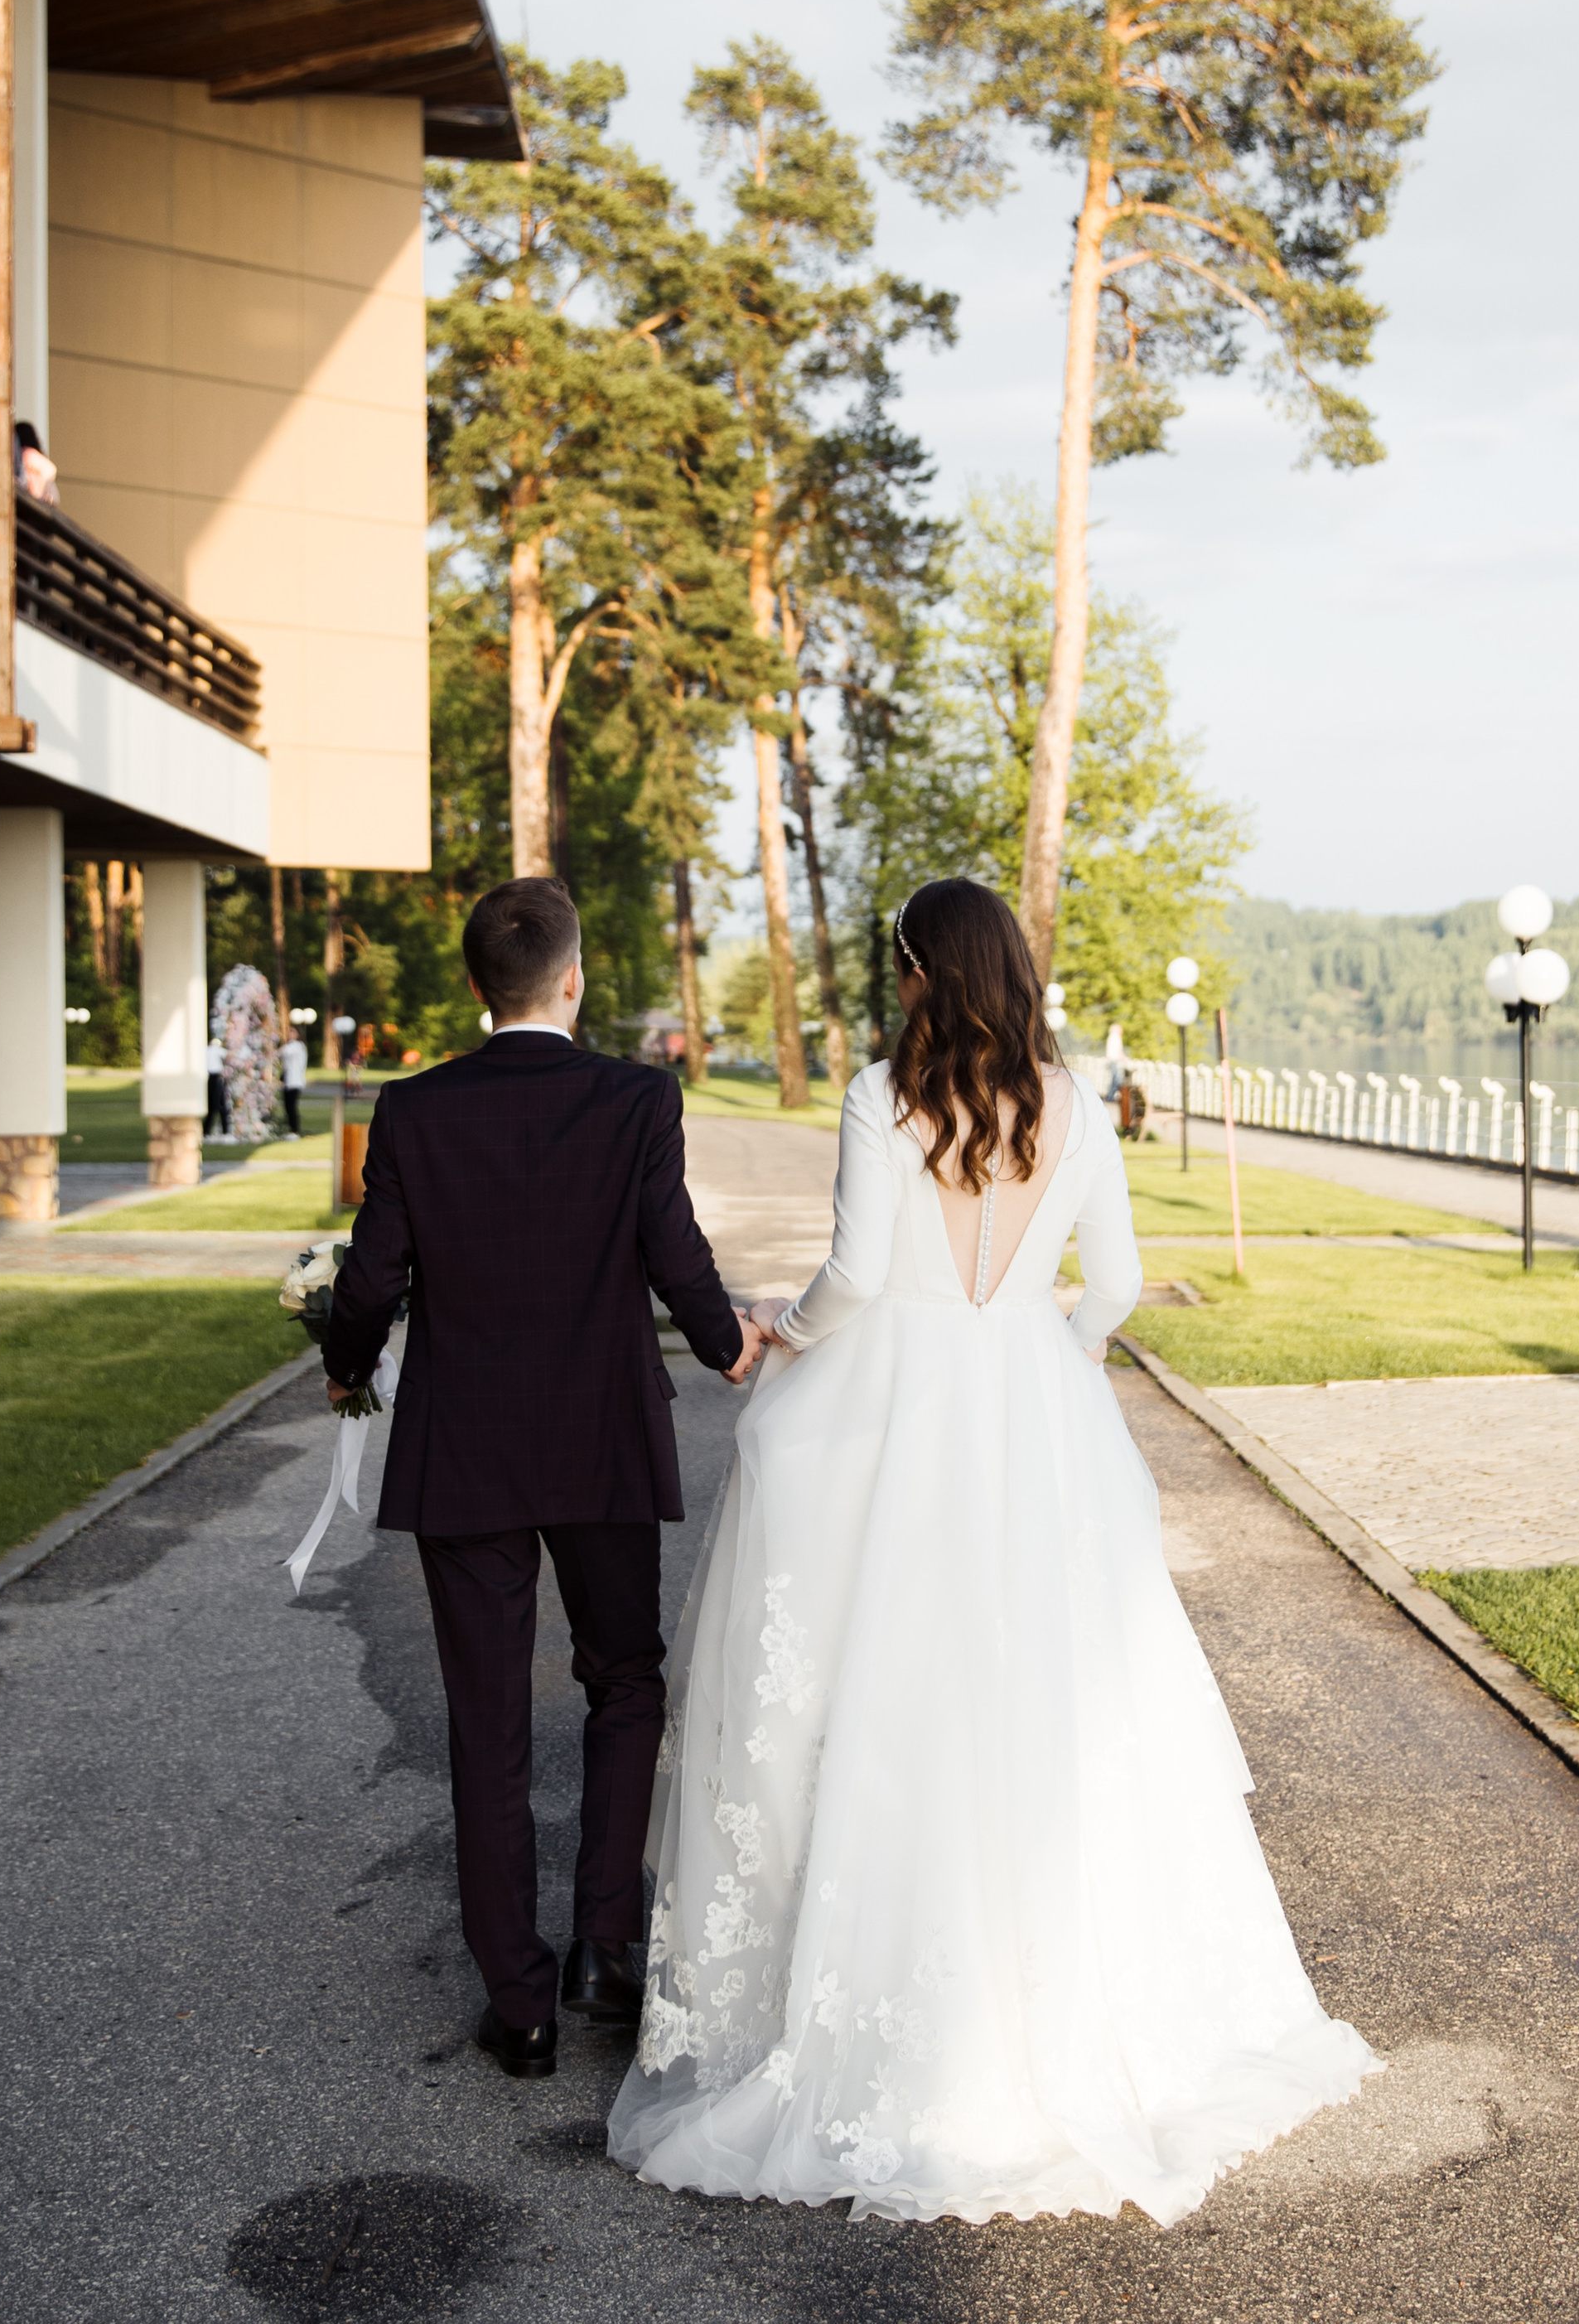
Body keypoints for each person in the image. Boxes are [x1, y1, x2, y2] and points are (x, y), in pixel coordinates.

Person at [607, 877, 1376, 2226]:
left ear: (917, 972)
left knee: (871, 1691)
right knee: (1041, 1693)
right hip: (1032, 1403)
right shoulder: (1077, 1107)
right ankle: (1082, 2009)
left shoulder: (878, 1096)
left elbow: (853, 1275)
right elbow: (1121, 1286)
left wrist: (782, 1332)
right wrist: (1051, 1362)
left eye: (897, 966)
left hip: (890, 1404)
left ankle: (858, 2006)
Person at [318, 876, 765, 2084]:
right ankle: (605, 1943)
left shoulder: (413, 1110)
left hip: (465, 1452)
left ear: (478, 988)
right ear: (572, 979)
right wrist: (729, 1346)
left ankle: (516, 2002)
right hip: (601, 1438)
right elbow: (673, 1250)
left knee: (487, 1714)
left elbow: (371, 1279)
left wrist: (345, 1362)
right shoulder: (635, 1098)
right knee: (626, 1678)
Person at [278, 1027, 307, 1138]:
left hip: (295, 1081)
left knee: (291, 1106)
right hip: (288, 1081)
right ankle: (291, 1129)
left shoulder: (297, 1046)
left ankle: (295, 1130)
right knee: (287, 1106)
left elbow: (282, 1052)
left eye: (292, 1032)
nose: (290, 1034)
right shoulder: (292, 1046)